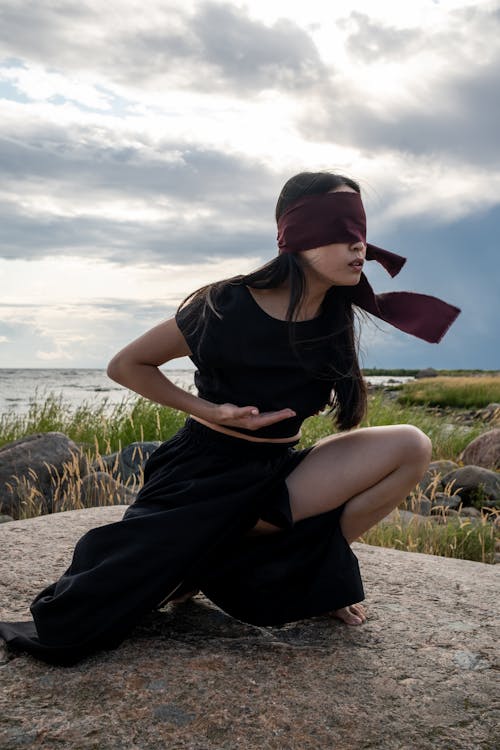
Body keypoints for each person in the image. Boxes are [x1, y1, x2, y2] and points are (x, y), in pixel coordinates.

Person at [0, 172, 460, 664]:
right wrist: (210, 411)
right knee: (101, 604)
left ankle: (308, 570)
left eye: (361, 232)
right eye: (343, 231)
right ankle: (199, 564)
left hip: (274, 473)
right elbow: (125, 365)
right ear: (299, 236)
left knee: (411, 444)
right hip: (204, 477)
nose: (360, 246)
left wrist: (324, 577)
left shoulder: (335, 310)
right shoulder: (225, 305)